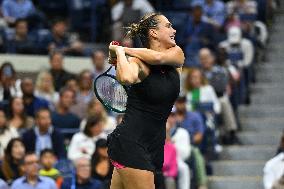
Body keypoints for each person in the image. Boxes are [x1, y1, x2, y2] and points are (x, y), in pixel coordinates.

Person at [107, 12, 184, 189]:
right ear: (153, 33)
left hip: (153, 146)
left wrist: (121, 50)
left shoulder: (176, 54)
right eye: (168, 26)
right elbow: (126, 77)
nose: (174, 29)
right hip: (130, 142)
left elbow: (157, 58)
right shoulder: (137, 63)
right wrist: (120, 55)